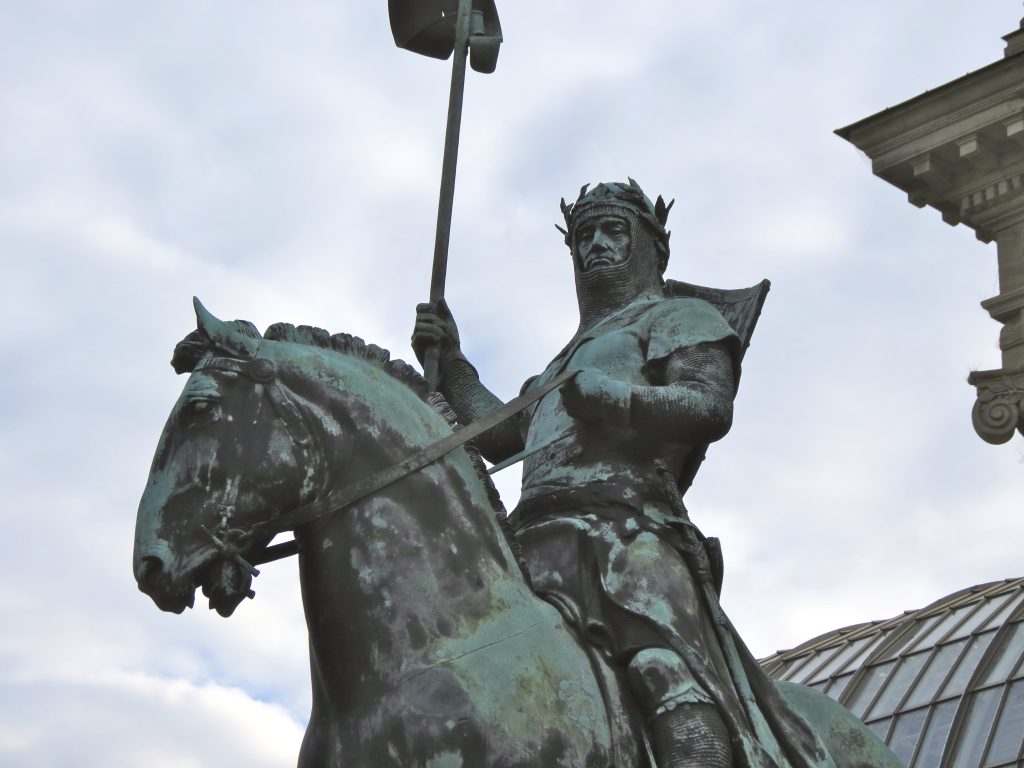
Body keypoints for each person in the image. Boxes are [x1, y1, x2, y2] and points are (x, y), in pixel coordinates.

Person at [412, 180, 833, 768]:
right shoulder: (563, 359)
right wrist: (452, 362)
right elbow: (503, 433)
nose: (596, 247)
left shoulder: (680, 317)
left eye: (614, 231)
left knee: (662, 665)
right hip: (529, 541)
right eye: (584, 236)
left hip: (629, 533)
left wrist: (612, 397)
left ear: (652, 248)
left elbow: (709, 407)